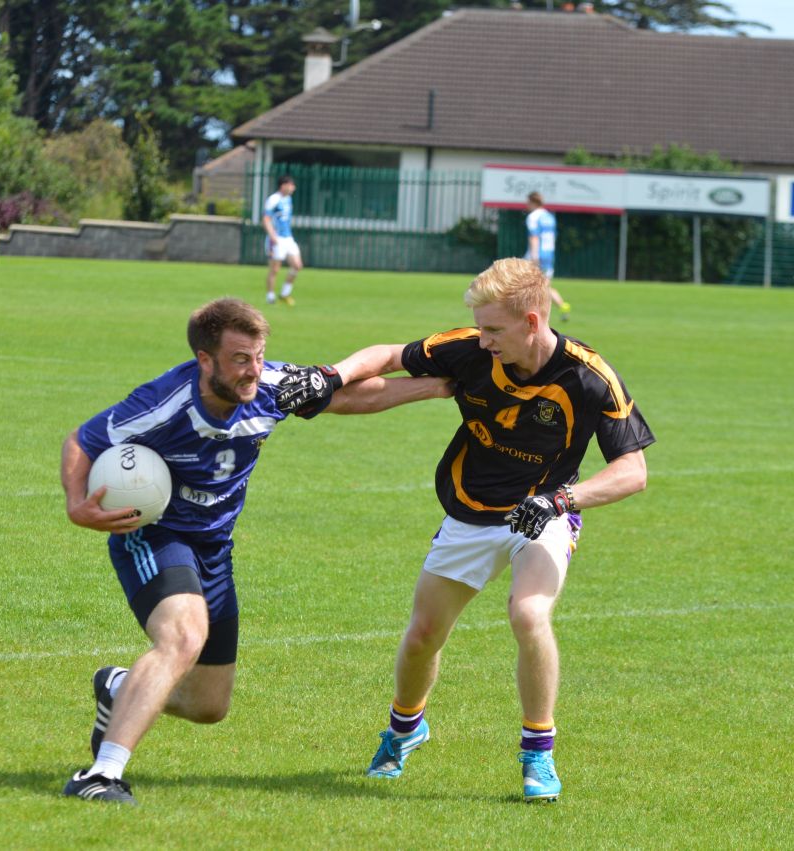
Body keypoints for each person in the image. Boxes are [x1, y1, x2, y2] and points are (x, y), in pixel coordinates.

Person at [277, 257, 655, 802]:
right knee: (423, 635)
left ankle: (537, 755)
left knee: (528, 614)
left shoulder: (590, 377)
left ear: (531, 321)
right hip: (471, 510)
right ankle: (405, 728)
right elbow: (388, 357)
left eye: (494, 329)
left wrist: (559, 501)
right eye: (480, 327)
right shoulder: (472, 348)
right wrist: (330, 377)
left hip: (543, 510)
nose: (483, 341)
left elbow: (632, 472)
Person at [59, 297, 449, 805]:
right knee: (183, 637)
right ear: (205, 360)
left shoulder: (270, 387)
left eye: (260, 356)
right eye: (241, 359)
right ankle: (101, 775)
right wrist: (75, 505)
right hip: (155, 534)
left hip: (215, 547)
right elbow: (82, 440)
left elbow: (356, 398)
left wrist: (440, 387)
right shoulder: (162, 403)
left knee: (207, 705)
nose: (254, 370)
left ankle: (119, 687)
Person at [525, 192, 572, 322]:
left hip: (537, 255)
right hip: (549, 255)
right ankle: (562, 306)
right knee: (544, 286)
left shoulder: (533, 217)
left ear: (532, 202)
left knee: (525, 286)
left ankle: (532, 316)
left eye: (527, 202)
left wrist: (534, 257)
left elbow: (534, 236)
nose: (526, 205)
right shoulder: (549, 217)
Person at [262, 175, 301, 307]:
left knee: (297, 265)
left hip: (288, 238)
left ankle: (284, 294)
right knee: (275, 269)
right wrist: (272, 236)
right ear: (282, 185)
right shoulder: (274, 199)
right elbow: (266, 219)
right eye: (290, 185)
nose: (293, 188)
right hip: (277, 239)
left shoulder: (288, 199)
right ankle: (270, 296)